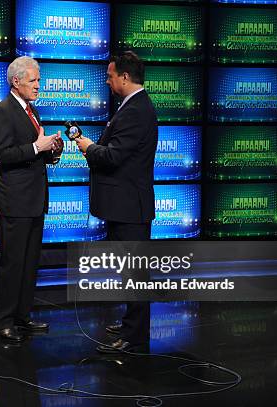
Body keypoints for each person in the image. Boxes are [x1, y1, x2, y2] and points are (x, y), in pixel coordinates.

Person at [75, 51, 157, 352]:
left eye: (110, 76)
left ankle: (135, 336)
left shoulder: (136, 110)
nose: (108, 81)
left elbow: (113, 156)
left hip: (129, 208)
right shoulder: (131, 106)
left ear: (124, 77)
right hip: (123, 206)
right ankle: (131, 324)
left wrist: (88, 147)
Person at [0, 56, 64, 342]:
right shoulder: (2, 111)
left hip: (34, 200)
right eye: (33, 81)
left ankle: (22, 317)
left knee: (30, 262)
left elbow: (34, 151)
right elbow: (2, 155)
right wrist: (36, 146)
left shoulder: (32, 111)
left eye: (39, 80)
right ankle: (3, 321)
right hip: (15, 202)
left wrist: (51, 150)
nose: (38, 86)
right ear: (15, 81)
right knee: (13, 263)